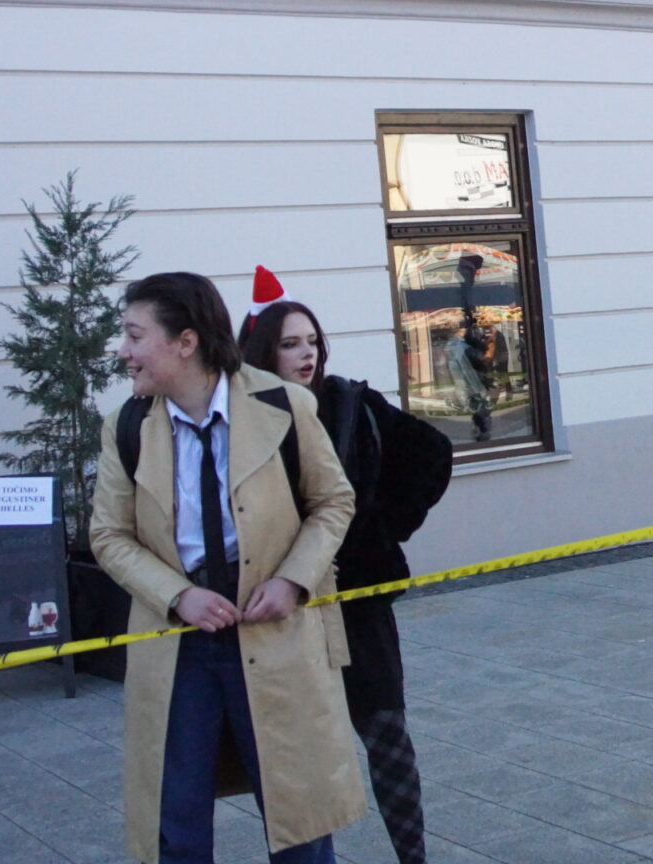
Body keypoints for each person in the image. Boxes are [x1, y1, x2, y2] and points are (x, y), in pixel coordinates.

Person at [90, 272, 365, 864]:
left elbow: (333, 501)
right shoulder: (127, 426)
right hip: (178, 643)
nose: (123, 351)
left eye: (135, 335)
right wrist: (176, 595)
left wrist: (293, 579)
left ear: (185, 342)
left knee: (299, 817)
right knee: (176, 823)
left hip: (275, 630)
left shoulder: (283, 405)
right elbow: (108, 536)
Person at [238, 294, 454, 864]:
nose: (306, 354)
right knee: (295, 752)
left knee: (386, 734)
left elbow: (433, 453)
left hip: (357, 604)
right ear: (262, 351)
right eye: (290, 344)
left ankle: (413, 857)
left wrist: (382, 529)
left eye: (312, 342)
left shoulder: (349, 403)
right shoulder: (242, 418)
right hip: (283, 608)